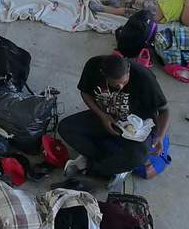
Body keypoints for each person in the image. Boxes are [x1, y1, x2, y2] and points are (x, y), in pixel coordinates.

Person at [60, 53, 168, 181]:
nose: (121, 87)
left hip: (137, 129)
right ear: (103, 74)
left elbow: (164, 110)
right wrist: (102, 116)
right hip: (107, 118)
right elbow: (85, 92)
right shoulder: (93, 66)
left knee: (139, 157)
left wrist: (160, 137)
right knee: (65, 128)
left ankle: (97, 165)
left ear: (128, 70)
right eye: (116, 85)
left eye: (124, 82)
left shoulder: (143, 76)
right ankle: (111, 162)